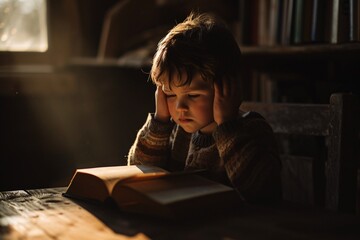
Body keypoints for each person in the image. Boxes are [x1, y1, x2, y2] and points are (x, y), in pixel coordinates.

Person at [127, 12, 281, 203]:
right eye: (170, 94)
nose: (180, 106)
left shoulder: (251, 130)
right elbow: (138, 171)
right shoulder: (177, 132)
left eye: (193, 95)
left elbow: (262, 192)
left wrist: (226, 125)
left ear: (227, 88)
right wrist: (160, 122)